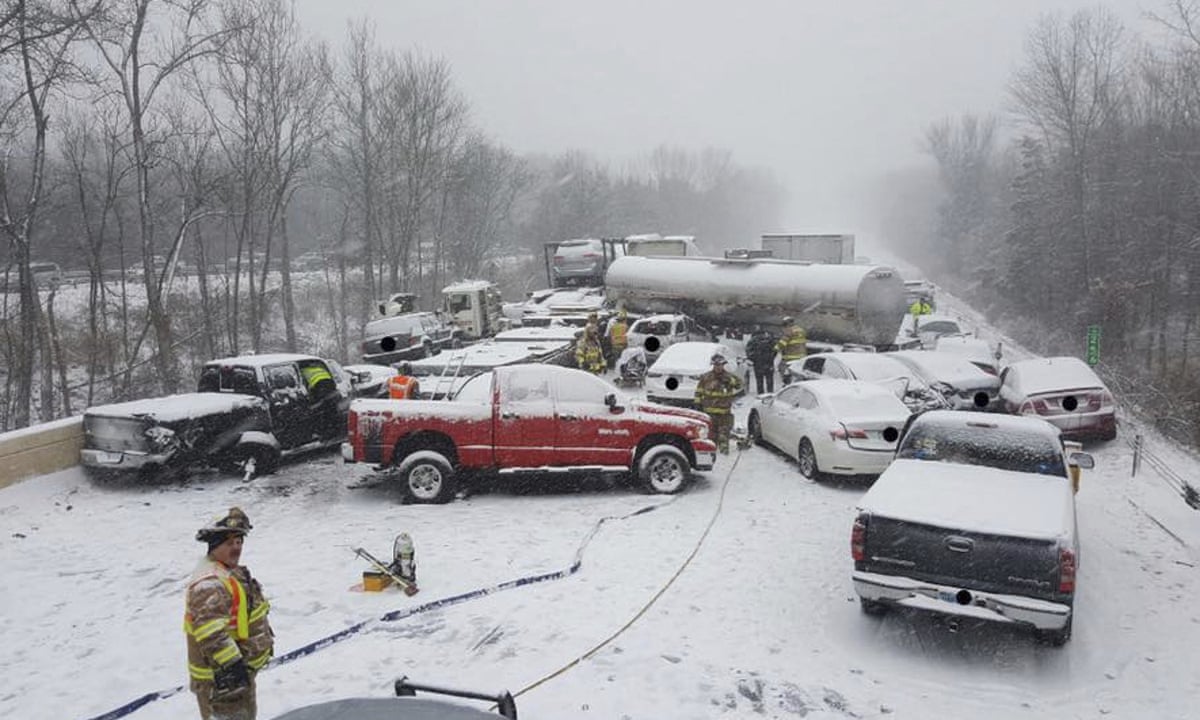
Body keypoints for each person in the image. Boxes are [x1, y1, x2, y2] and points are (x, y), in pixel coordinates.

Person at [185, 508, 274, 720]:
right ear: (214, 546)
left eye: (239, 542)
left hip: (237, 678)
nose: (237, 548)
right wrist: (233, 667)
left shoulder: (229, 573)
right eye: (229, 543)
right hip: (223, 682)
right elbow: (211, 633)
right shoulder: (209, 584)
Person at [694, 352, 743, 454]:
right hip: (709, 412)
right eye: (716, 365)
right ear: (713, 365)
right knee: (710, 435)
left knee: (724, 435)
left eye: (720, 365)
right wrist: (697, 404)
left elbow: (740, 385)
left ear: (723, 365)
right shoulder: (705, 377)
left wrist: (729, 381)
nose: (718, 367)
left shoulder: (729, 377)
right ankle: (711, 454)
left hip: (724, 413)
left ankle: (724, 454)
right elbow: (698, 391)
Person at [744, 324, 779, 394]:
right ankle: (770, 393)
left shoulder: (753, 340)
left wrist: (753, 359)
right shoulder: (769, 339)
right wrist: (771, 357)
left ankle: (761, 395)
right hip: (769, 362)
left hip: (758, 363)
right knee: (769, 380)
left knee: (759, 380)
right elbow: (775, 349)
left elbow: (748, 351)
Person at [774, 316, 808, 384]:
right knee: (797, 372)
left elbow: (782, 344)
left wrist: (775, 348)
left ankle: (786, 384)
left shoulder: (789, 331)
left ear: (787, 324)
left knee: (782, 369)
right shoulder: (801, 330)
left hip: (790, 357)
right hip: (802, 356)